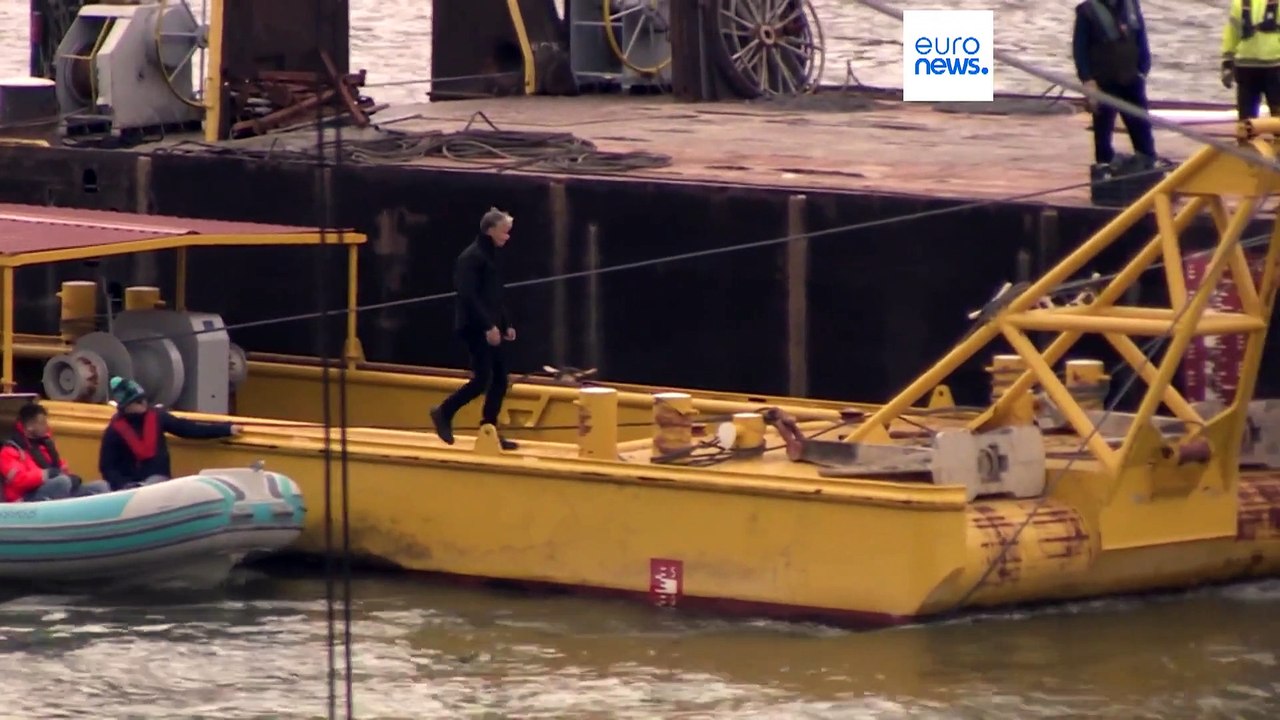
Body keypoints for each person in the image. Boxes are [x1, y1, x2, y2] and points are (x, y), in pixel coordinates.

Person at [429, 207, 520, 451]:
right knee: (482, 379)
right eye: (504, 232)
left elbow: (495, 295)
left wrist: (506, 323)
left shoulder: (491, 256)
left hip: (492, 326)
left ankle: (488, 428)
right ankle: (444, 411)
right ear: (491, 230)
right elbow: (468, 296)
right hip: (475, 326)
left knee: (500, 378)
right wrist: (488, 326)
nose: (507, 237)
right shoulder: (471, 257)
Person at [98, 376, 242, 491]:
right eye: (137, 401)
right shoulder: (114, 431)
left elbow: (188, 429)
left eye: (144, 398)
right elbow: (107, 466)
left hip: (158, 480)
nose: (144, 403)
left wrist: (226, 429)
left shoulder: (157, 417)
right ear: (125, 406)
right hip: (129, 485)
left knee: (153, 485)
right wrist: (123, 485)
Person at [1072, 0, 1158, 167]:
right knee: (1103, 134)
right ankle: (1105, 172)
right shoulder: (1087, 11)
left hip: (1132, 81)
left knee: (1142, 130)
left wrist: (1142, 71)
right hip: (1103, 82)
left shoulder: (1132, 5)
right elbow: (1079, 50)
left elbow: (1142, 40)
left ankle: (1147, 167)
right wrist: (1088, 80)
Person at [1, 402, 110, 502]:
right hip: (26, 498)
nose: (46, 426)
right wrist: (46, 474)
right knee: (62, 482)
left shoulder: (45, 445)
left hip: (51, 488)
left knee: (101, 486)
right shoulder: (9, 451)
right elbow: (19, 480)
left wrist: (71, 477)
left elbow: (59, 468)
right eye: (42, 423)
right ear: (29, 426)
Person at [1221, 0, 1280, 120]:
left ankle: (1247, 136)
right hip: (1270, 66)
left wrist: (1227, 63)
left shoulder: (1239, 2)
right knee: (1276, 114)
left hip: (1248, 66)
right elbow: (1232, 32)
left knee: (1247, 118)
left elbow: (1231, 33)